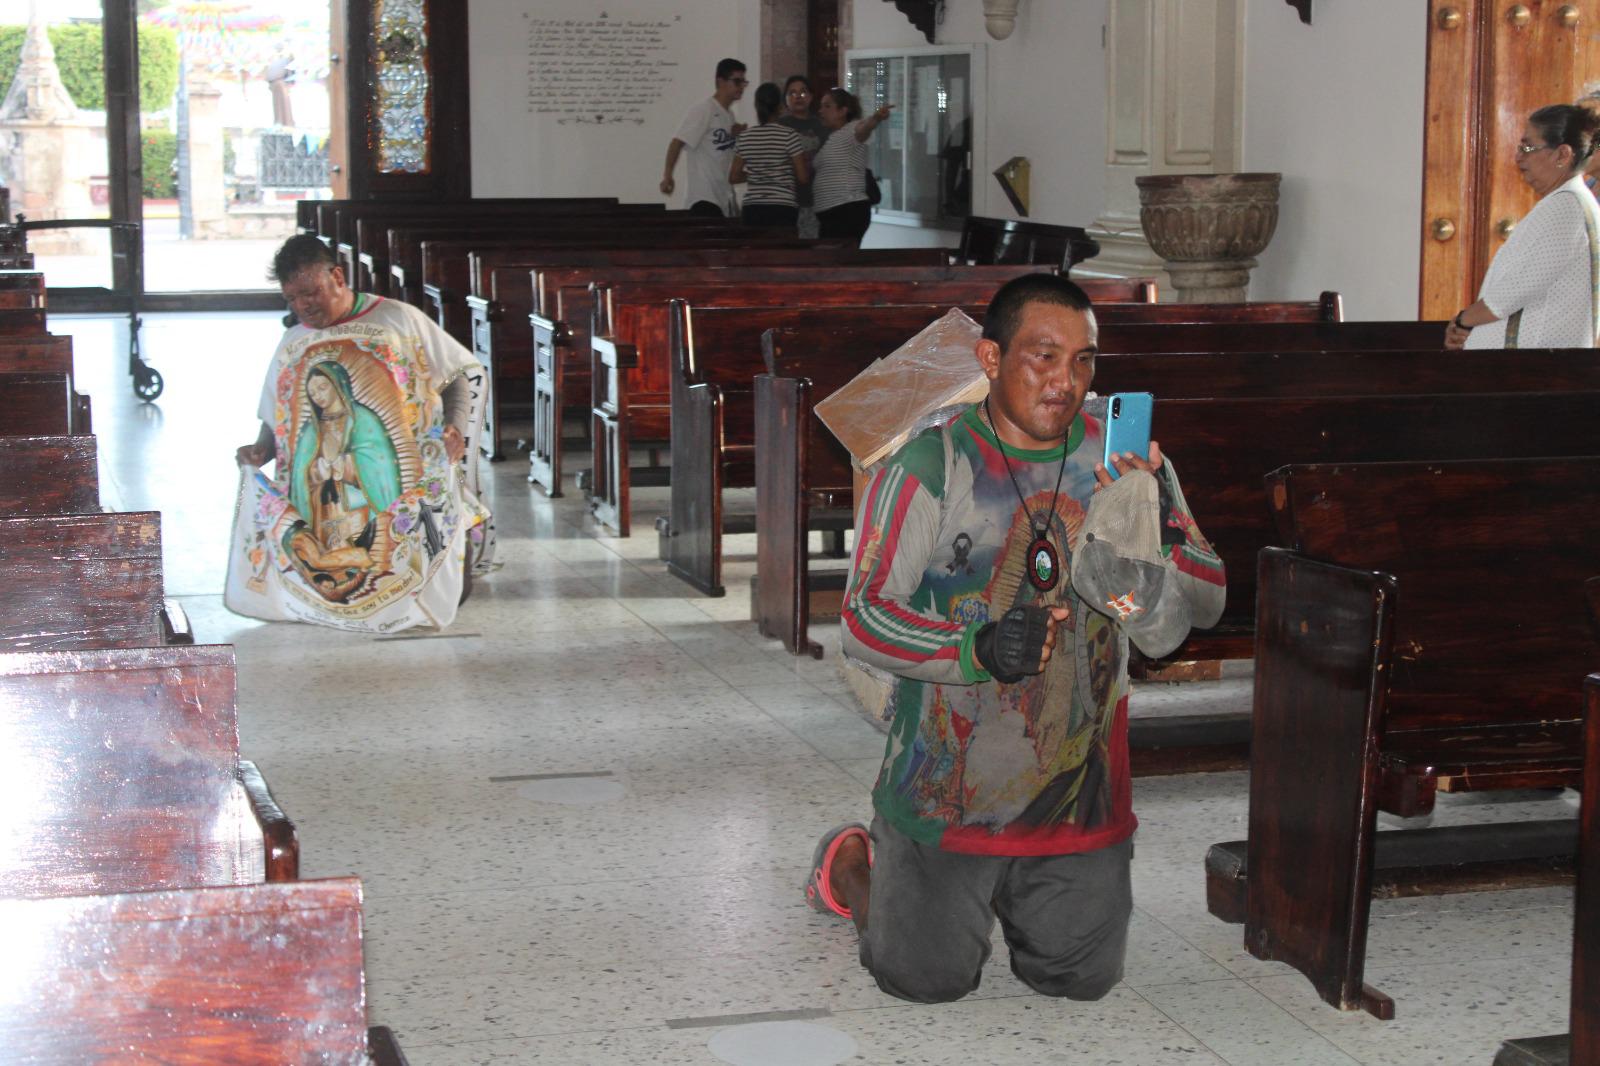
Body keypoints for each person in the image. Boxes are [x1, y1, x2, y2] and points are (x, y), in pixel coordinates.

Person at [802, 274, 1225, 1004]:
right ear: (991, 360)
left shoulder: (1127, 466)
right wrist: (977, 650)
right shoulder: (929, 466)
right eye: (1043, 356)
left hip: (1078, 797)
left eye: (1085, 360)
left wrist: (1163, 524)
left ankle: (1004, 897)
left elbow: (1209, 603)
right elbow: (864, 616)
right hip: (947, 795)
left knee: (1080, 980)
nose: (1066, 381)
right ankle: (853, 867)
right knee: (924, 980)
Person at [228, 235, 491, 632]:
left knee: (454, 586)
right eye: (292, 299)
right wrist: (261, 448)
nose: (304, 306)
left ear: (337, 276)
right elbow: (279, 411)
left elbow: (456, 373)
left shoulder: (398, 319)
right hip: (326, 499)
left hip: (398, 475)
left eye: (311, 292)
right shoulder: (293, 341)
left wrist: (454, 425)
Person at [1447, 103, 1600, 350]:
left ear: (1562, 154)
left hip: (1534, 369)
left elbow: (1517, 288)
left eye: (1528, 147)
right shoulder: (1567, 201)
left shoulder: (1565, 207)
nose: (1519, 157)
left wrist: (1464, 321)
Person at [660, 58, 747, 218]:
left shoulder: (729, 116)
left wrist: (734, 135)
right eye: (737, 81)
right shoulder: (703, 109)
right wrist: (668, 176)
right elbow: (677, 142)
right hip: (704, 196)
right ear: (720, 81)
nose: (741, 87)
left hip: (723, 196)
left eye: (743, 82)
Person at [811, 88, 894, 246]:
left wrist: (876, 118)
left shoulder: (852, 130)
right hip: (832, 214)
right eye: (821, 106)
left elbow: (865, 128)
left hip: (846, 211)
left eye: (827, 106)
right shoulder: (833, 137)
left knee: (834, 263)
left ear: (843, 110)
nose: (821, 111)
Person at [730, 82, 809, 230]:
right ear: (780, 107)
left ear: (757, 107)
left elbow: (733, 176)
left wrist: (756, 175)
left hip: (752, 208)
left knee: (756, 252)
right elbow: (803, 177)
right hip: (783, 206)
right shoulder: (789, 135)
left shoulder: (745, 137)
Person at [775, 75, 829, 237]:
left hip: (816, 198)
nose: (798, 97)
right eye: (792, 93)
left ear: (811, 97)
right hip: (786, 199)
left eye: (803, 92)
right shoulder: (779, 126)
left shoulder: (822, 125)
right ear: (785, 99)